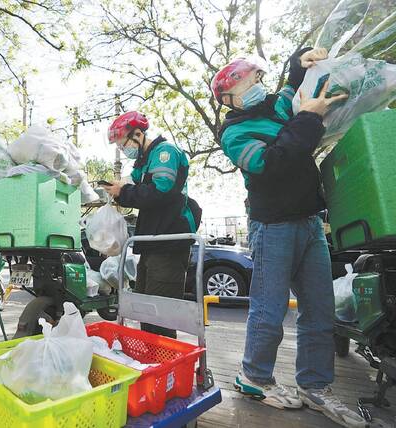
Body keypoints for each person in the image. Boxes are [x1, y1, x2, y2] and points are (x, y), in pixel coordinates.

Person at [211, 49, 366, 427]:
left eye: (255, 79)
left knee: (320, 308)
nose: (256, 87)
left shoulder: (278, 104)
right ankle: (254, 377)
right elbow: (270, 164)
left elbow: (297, 84)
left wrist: (301, 59)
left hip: (310, 221)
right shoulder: (234, 133)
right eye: (246, 84)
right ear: (228, 99)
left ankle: (315, 386)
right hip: (273, 225)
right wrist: (310, 118)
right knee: (269, 307)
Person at [102, 111, 201, 338]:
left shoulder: (165, 152)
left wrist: (124, 192)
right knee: (146, 312)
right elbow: (137, 189)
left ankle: (167, 368)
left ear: (138, 134)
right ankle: (152, 362)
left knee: (160, 316)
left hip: (169, 243)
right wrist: (119, 191)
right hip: (151, 243)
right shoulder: (143, 163)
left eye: (123, 143)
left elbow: (160, 191)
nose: (122, 149)